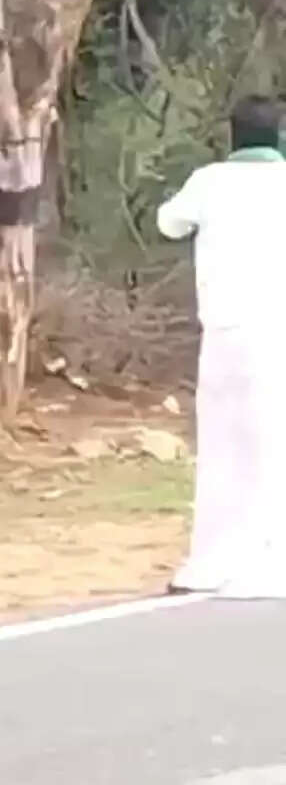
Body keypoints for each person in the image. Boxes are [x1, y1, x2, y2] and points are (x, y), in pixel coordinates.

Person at [157, 94, 286, 599]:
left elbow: (169, 223)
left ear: (232, 135)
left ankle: (211, 561)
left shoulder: (208, 182)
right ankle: (270, 558)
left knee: (221, 448)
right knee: (271, 444)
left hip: (223, 334)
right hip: (275, 332)